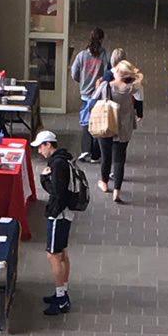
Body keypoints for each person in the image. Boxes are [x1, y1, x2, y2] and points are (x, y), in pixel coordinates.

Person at [32, 129, 74, 316]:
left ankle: (61, 298)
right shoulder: (65, 159)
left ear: (48, 144)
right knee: (62, 253)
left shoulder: (57, 164)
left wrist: (43, 179)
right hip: (67, 212)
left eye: (40, 146)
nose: (39, 151)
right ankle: (62, 292)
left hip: (59, 214)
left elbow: (57, 192)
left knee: (53, 255)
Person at [92, 60, 144, 204]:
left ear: (118, 74)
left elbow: (93, 99)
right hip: (124, 128)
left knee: (105, 156)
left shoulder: (106, 86)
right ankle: (117, 191)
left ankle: (104, 182)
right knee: (119, 160)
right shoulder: (132, 88)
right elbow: (139, 79)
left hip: (107, 125)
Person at [71, 28, 109, 162]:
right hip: (98, 95)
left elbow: (74, 73)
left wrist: (82, 82)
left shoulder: (81, 55)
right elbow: (107, 73)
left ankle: (85, 150)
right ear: (102, 40)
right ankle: (95, 154)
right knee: (98, 123)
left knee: (85, 123)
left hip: (85, 95)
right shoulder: (104, 55)